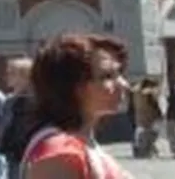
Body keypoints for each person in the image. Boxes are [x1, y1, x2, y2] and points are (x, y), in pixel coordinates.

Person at [20, 32, 131, 179]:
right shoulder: (60, 152)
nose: (124, 85)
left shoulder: (81, 142)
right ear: (73, 86)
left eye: (120, 73)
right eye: (107, 76)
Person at [0, 58, 36, 179]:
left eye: (12, 73)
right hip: (12, 155)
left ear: (25, 76)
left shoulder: (36, 101)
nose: (7, 76)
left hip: (30, 155)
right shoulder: (9, 101)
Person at [130, 78, 162, 158]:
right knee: (149, 134)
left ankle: (145, 150)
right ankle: (146, 150)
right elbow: (154, 106)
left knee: (142, 135)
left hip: (141, 117)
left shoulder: (136, 93)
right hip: (149, 117)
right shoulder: (147, 94)